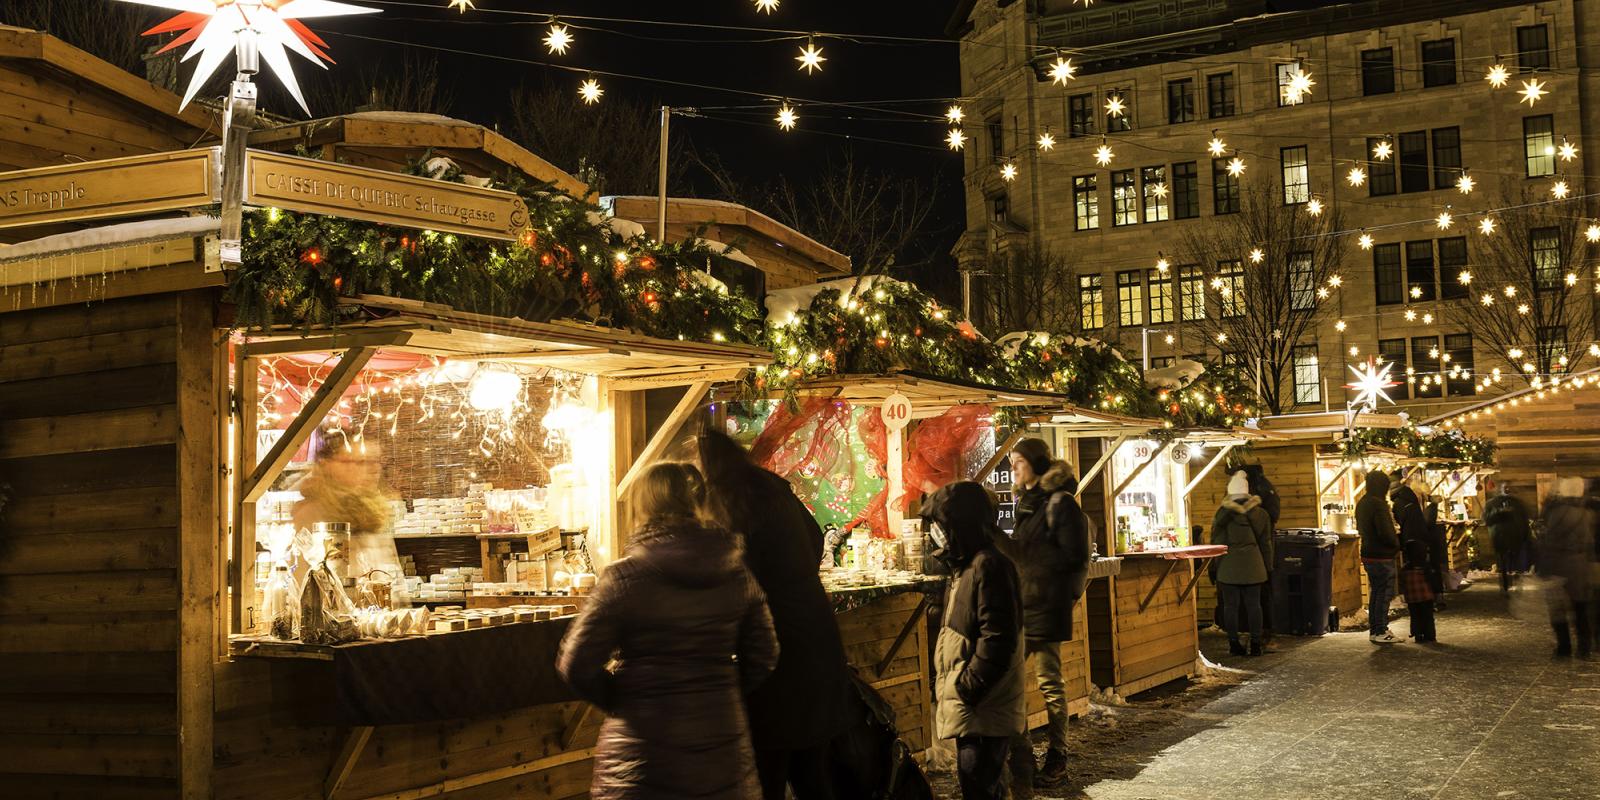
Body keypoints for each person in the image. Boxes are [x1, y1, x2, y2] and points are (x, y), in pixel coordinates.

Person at [557, 462, 779, 800]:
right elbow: (764, 654)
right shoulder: (736, 573)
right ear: (696, 503)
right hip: (722, 748)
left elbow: (576, 663)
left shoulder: (625, 577)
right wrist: (721, 689)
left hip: (641, 760)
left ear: (642, 506)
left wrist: (624, 698)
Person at [698, 430, 860, 800]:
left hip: (779, 649)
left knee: (768, 774)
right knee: (812, 773)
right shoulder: (772, 488)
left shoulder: (729, 498)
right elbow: (816, 538)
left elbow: (730, 572)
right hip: (816, 636)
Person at [989, 438, 1088, 790]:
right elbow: (1022, 553)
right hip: (1026, 603)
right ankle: (1024, 755)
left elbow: (1073, 555)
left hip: (1046, 606)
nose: (1013, 468)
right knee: (1010, 679)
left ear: (1035, 464)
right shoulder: (1027, 504)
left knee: (1048, 682)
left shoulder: (1060, 504)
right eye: (1012, 462)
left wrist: (1023, 555)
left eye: (1018, 462)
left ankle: (1057, 757)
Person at [922, 481, 1027, 800]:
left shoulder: (988, 566)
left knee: (980, 785)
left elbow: (997, 638)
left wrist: (969, 687)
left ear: (958, 524)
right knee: (981, 786)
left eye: (940, 524)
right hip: (978, 708)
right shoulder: (968, 567)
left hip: (984, 707)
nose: (935, 533)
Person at [1210, 471, 1271, 656]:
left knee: (1230, 606)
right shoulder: (1260, 514)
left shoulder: (1222, 515)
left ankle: (1234, 643)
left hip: (1228, 566)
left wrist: (1214, 568)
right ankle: (1255, 643)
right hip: (1254, 564)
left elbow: (1216, 544)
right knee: (1254, 606)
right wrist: (1267, 566)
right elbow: (1266, 542)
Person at [1538, 477, 1594, 659]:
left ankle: (1564, 648)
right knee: (1580, 609)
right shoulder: (1586, 513)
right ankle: (1584, 649)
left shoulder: (1556, 512)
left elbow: (1551, 540)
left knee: (1558, 610)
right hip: (1579, 565)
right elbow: (1589, 542)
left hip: (1558, 565)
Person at [1355, 470, 1404, 644]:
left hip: (1368, 553)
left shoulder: (1362, 503)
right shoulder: (1378, 504)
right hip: (1382, 555)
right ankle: (1381, 629)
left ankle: (1375, 629)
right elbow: (1385, 531)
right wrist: (1396, 545)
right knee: (1383, 594)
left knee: (1376, 592)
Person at [1239, 461, 1281, 648]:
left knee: (1254, 597)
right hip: (1262, 553)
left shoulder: (1249, 496)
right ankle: (1263, 634)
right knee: (1262, 596)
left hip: (1250, 556)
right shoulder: (1267, 488)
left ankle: (1257, 634)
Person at [1392, 478, 1437, 643]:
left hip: (1411, 549)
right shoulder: (1411, 501)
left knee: (1415, 611)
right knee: (1426, 610)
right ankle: (1430, 635)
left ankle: (1418, 633)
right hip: (1419, 547)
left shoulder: (1399, 503)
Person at [1485, 481, 1533, 595]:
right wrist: (1499, 514)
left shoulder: (1518, 503)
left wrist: (1526, 535)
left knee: (1516, 562)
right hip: (1501, 537)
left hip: (1515, 537)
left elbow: (1524, 519)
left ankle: (1515, 583)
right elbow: (1487, 519)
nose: (1506, 490)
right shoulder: (1492, 504)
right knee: (1504, 563)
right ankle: (1506, 584)